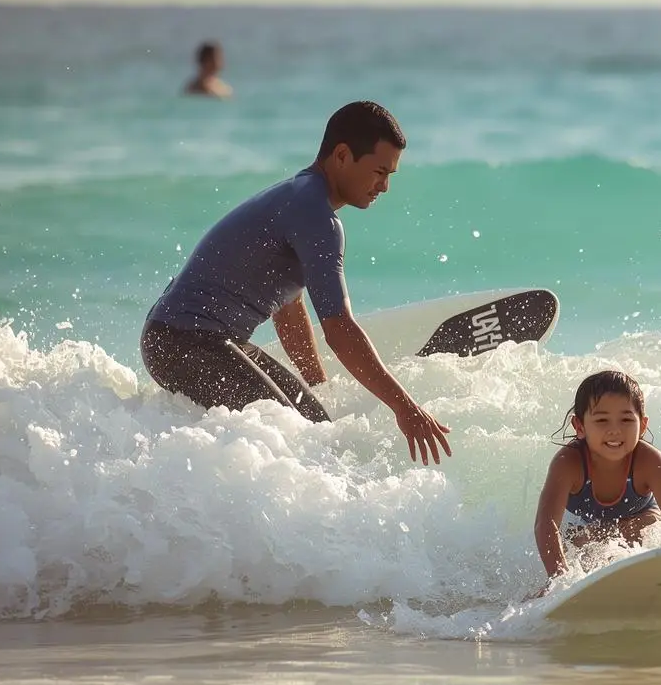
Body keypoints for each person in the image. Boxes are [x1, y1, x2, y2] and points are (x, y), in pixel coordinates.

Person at [141, 101, 451, 465]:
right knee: (301, 441)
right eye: (379, 171)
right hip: (184, 342)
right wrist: (405, 407)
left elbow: (289, 312)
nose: (383, 187)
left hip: (187, 341)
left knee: (315, 427)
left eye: (390, 176)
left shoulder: (302, 198)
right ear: (342, 155)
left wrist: (318, 387)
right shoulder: (314, 213)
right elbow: (339, 329)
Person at [531, 370, 661, 590]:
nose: (615, 430)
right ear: (580, 427)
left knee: (639, 530)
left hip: (642, 518)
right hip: (589, 524)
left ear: (642, 425)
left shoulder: (648, 460)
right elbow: (546, 525)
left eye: (626, 419)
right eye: (602, 420)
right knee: (579, 547)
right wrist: (559, 579)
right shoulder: (568, 463)